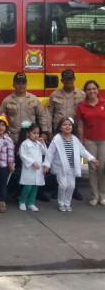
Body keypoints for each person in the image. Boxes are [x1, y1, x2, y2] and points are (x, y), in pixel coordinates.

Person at [0, 72, 49, 201]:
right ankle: (15, 191)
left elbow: (42, 115)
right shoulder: (7, 100)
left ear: (26, 84)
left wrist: (45, 132)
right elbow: (0, 117)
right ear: (13, 84)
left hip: (32, 139)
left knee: (36, 165)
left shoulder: (33, 99)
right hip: (14, 139)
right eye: (18, 83)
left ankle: (39, 192)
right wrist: (2, 133)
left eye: (23, 83)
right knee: (16, 166)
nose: (21, 85)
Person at [43, 117, 98, 212]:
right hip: (61, 167)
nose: (67, 126)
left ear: (72, 127)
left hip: (72, 167)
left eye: (69, 125)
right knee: (63, 185)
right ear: (60, 128)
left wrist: (91, 158)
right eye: (64, 125)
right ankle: (61, 203)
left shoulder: (75, 139)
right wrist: (47, 164)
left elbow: (83, 151)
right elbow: (50, 153)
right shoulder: (57, 139)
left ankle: (67, 203)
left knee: (71, 186)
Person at [46, 69, 86, 201]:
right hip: (58, 130)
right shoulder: (54, 95)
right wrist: (49, 132)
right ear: (62, 80)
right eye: (66, 79)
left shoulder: (82, 95)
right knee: (58, 160)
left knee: (75, 160)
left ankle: (75, 189)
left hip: (74, 131)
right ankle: (58, 188)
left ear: (74, 79)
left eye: (71, 79)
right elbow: (49, 114)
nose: (68, 81)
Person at [75, 80, 105, 206]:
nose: (91, 91)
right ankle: (94, 196)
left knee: (102, 168)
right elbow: (80, 126)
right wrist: (81, 141)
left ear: (97, 90)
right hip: (89, 140)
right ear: (85, 92)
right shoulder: (82, 106)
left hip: (103, 140)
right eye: (89, 89)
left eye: (94, 89)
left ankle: (102, 195)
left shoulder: (104, 102)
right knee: (92, 168)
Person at [17, 122, 47, 212]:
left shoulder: (38, 143)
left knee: (35, 187)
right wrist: (32, 162)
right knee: (28, 186)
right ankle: (22, 201)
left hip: (38, 169)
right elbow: (22, 155)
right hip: (29, 169)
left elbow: (45, 153)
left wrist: (43, 144)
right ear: (28, 133)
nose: (36, 135)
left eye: (38, 133)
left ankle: (31, 203)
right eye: (34, 133)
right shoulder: (25, 144)